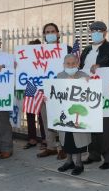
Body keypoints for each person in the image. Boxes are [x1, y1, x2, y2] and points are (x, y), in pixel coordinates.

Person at [79, 21, 109, 170]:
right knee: (91, 124)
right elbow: (81, 68)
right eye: (93, 30)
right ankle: (93, 154)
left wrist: (101, 67)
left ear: (105, 32)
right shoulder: (86, 50)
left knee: (105, 127)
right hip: (88, 92)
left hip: (105, 93)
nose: (96, 32)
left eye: (99, 30)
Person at [37, 23, 71, 160]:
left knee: (62, 119)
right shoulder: (37, 51)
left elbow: (74, 65)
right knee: (46, 119)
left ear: (58, 33)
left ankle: (64, 147)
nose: (50, 33)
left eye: (52, 31)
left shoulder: (66, 49)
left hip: (61, 90)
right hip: (44, 90)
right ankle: (50, 147)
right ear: (44, 35)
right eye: (47, 32)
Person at [56, 54, 91, 175]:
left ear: (77, 64)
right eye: (68, 64)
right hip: (65, 113)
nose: (71, 66)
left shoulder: (84, 76)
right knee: (66, 139)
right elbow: (54, 93)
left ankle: (79, 163)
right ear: (64, 65)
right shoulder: (59, 76)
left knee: (78, 140)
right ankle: (68, 161)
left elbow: (90, 93)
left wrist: (86, 82)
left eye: (73, 63)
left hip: (78, 114)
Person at [23, 39, 47, 150]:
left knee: (42, 115)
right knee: (30, 113)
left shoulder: (45, 58)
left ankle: (45, 139)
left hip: (41, 88)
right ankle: (32, 139)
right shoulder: (25, 60)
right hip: (30, 87)